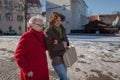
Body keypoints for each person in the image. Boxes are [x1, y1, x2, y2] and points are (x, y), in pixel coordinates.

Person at [14, 15, 49, 80]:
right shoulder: (26, 36)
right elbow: (18, 55)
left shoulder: (41, 35)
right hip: (32, 72)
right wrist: (27, 70)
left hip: (43, 69)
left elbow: (44, 47)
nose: (41, 27)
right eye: (39, 25)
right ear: (32, 25)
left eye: (42, 25)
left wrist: (52, 42)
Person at [44, 12, 69, 80]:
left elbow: (65, 39)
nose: (59, 22)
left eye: (60, 20)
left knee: (63, 77)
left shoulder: (62, 28)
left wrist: (66, 43)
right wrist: (62, 45)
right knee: (64, 78)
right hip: (56, 57)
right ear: (53, 20)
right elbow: (49, 47)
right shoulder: (48, 30)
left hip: (64, 56)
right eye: (57, 20)